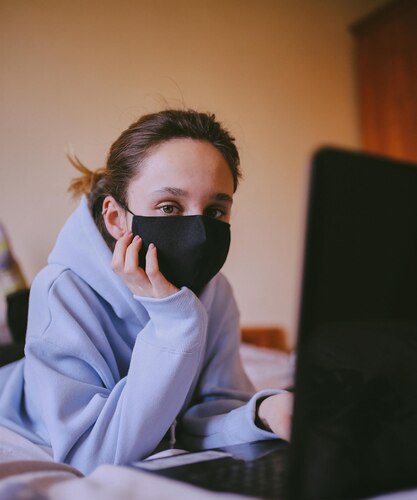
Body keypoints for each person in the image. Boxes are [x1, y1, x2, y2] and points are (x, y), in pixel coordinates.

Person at [0, 109, 292, 473]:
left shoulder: (217, 292)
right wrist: (174, 322)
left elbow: (202, 416)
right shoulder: (61, 290)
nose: (199, 233)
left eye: (216, 210)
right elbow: (89, 455)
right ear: (115, 218)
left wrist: (263, 413)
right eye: (169, 206)